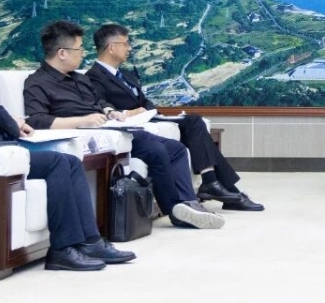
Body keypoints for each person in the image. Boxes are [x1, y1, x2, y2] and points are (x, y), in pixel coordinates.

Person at [0, 20, 135, 272]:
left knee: (69, 161)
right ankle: (62, 249)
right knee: (58, 162)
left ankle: (90, 241)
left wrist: (13, 123)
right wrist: (15, 124)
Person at [23, 20, 224, 230]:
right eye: (79, 49)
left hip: (111, 128)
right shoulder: (37, 82)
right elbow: (37, 120)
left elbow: (98, 102)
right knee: (156, 150)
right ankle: (175, 211)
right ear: (62, 53)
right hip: (88, 133)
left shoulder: (79, 79)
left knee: (176, 149)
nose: (83, 53)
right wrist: (82, 121)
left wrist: (110, 111)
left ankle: (189, 203)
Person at [86, 23, 263, 211]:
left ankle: (214, 183)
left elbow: (145, 102)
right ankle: (225, 190)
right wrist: (133, 113)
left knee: (194, 123)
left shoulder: (126, 74)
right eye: (126, 44)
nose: (129, 48)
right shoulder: (93, 77)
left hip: (150, 118)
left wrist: (149, 111)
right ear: (111, 47)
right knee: (194, 123)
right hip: (134, 126)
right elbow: (103, 106)